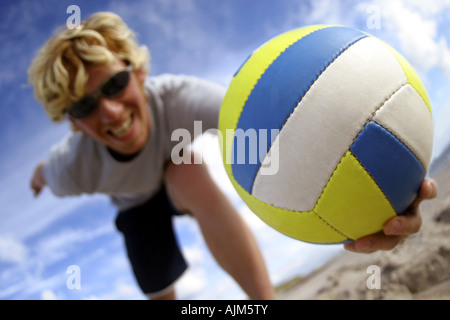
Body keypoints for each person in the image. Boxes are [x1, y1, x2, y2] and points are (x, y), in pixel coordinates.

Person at [28, 12, 436, 300]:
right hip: (134, 205)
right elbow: (46, 172)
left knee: (187, 170)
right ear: (72, 123)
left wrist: (381, 197)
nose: (110, 112)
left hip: (174, 178)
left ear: (138, 73)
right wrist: (38, 177)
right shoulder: (72, 167)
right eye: (83, 108)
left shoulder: (181, 101)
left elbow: (275, 135)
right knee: (157, 286)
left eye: (115, 84)